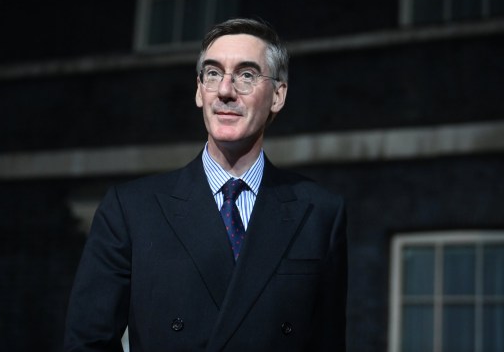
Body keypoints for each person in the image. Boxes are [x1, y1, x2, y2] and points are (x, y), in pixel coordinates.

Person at [64, 18, 347, 352]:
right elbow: (88, 344)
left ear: (278, 96)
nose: (225, 91)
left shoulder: (319, 214)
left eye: (246, 75)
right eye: (213, 74)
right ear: (199, 91)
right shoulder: (130, 210)